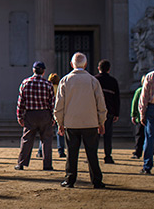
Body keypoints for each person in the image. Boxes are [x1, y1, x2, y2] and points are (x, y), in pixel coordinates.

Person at [54, 52, 107, 189]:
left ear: (72, 64)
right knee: (92, 153)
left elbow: (59, 105)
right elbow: (101, 104)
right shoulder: (93, 81)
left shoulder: (65, 80)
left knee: (71, 153)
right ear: (86, 64)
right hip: (90, 122)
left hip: (71, 123)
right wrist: (102, 122)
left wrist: (60, 123)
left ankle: (70, 179)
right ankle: (96, 180)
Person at [15, 61, 55, 171]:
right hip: (44, 113)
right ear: (44, 71)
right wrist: (53, 117)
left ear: (33, 70)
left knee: (27, 139)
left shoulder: (25, 83)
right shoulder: (48, 84)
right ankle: (47, 165)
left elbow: (21, 102)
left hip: (30, 114)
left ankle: (21, 163)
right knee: (47, 140)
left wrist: (20, 116)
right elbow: (52, 103)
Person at [130, 75, 154, 159]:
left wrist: (133, 114)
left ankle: (138, 152)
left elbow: (134, 103)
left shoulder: (139, 91)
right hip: (152, 116)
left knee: (139, 136)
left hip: (140, 117)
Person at [95, 60, 120, 164]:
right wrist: (116, 113)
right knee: (108, 135)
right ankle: (108, 156)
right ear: (109, 69)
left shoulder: (94, 80)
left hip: (95, 111)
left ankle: (93, 156)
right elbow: (117, 99)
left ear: (98, 68)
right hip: (109, 111)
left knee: (94, 136)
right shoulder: (113, 81)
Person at [38, 73, 65, 158]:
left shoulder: (47, 87)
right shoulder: (60, 88)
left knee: (44, 133)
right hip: (58, 111)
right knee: (60, 132)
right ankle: (61, 150)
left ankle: (40, 151)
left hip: (47, 112)